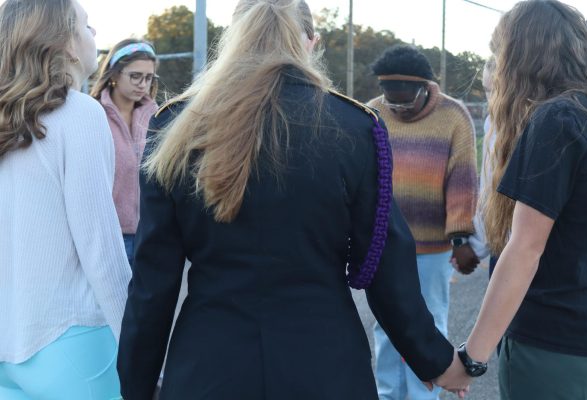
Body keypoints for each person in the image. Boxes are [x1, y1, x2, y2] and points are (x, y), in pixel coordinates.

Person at [116, 1, 470, 399]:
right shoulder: (354, 126)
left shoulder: (176, 124)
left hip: (211, 365)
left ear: (234, 39)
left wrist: (134, 384)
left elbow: (153, 285)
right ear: (311, 43)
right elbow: (389, 273)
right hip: (324, 366)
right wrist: (436, 360)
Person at [455, 1, 587, 399]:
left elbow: (525, 249)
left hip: (554, 343)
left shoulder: (558, 119)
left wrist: (471, 359)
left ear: (518, 56)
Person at [0, 0, 131, 399]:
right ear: (67, 44)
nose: (94, 36)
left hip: (8, 344)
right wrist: (138, 340)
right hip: (74, 345)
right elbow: (100, 249)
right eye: (87, 26)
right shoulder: (81, 115)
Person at [366, 45, 478, 400]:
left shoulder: (453, 116)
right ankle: (389, 394)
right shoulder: (371, 113)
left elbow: (462, 179)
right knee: (386, 324)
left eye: (404, 98)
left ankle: (422, 396)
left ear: (426, 86)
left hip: (432, 245)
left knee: (429, 321)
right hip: (383, 242)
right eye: (390, 96)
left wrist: (460, 239)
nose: (396, 105)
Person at [90, 39, 159, 265]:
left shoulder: (157, 117)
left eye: (148, 78)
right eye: (135, 76)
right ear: (115, 74)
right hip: (107, 236)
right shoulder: (94, 115)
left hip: (149, 233)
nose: (142, 84)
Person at [467, 57, 497, 275]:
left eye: (499, 89)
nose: (492, 99)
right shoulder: (493, 123)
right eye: (488, 91)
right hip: (502, 248)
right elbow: (488, 189)